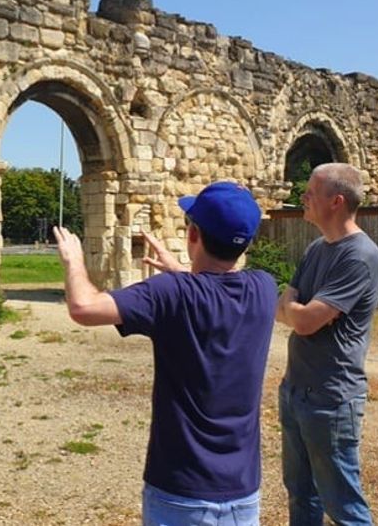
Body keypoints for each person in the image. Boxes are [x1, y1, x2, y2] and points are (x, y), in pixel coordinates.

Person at [53, 181, 277, 526]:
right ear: (246, 242)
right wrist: (181, 273)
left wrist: (74, 260)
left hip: (181, 492)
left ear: (193, 235)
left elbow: (83, 307)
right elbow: (214, 290)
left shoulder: (171, 294)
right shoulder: (263, 288)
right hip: (243, 494)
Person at [276, 163, 378, 525]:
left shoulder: (360, 256)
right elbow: (287, 308)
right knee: (301, 495)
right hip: (296, 391)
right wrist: (297, 309)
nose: (302, 197)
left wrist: (297, 309)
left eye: (311, 191)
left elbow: (303, 321)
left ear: (336, 201)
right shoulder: (317, 248)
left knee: (344, 507)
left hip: (331, 400)